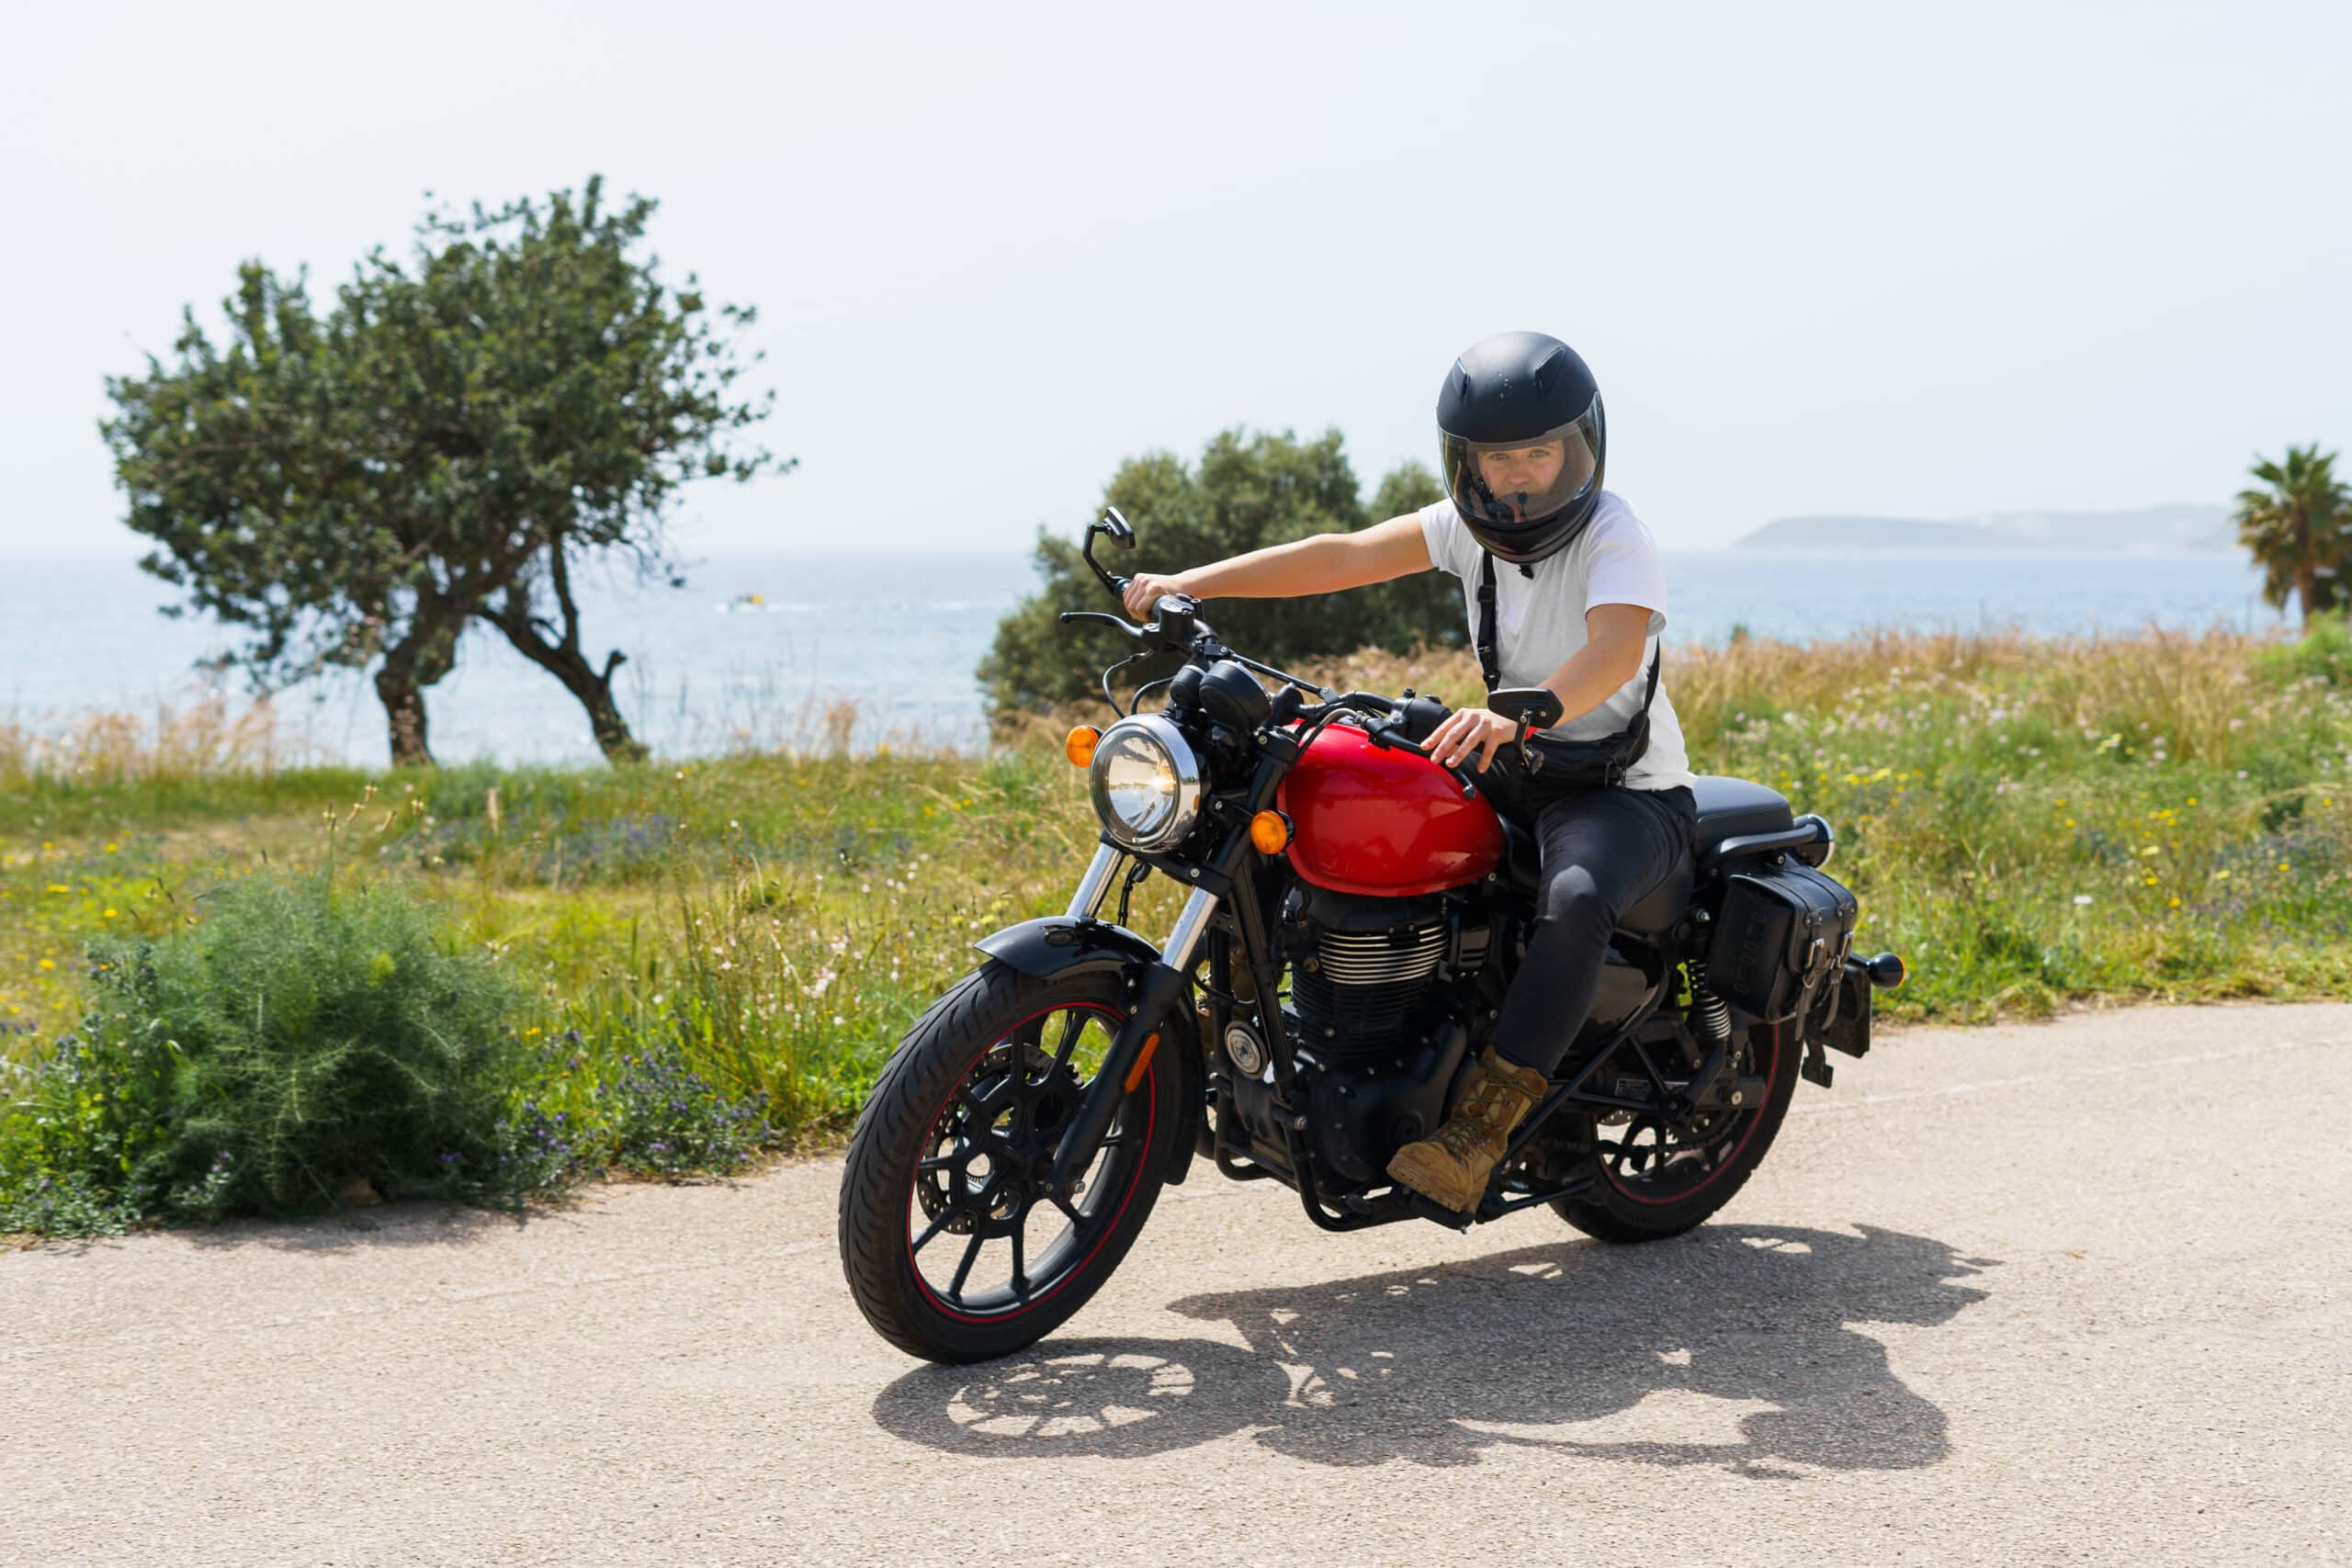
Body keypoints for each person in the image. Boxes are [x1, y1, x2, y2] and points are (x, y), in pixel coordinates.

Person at [1121, 330, 1697, 1212]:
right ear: (1466, 462)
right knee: (1315, 785)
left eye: (1539, 453)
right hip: (1511, 758)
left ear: (1580, 449)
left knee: (1576, 898)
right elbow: (1343, 554)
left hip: (1619, 790)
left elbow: (1615, 652)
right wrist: (1190, 581)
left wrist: (1517, 710)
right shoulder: (1464, 531)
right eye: (1498, 458)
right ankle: (1259, 1035)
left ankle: (1480, 1129)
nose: (1518, 477)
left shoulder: (1617, 533)